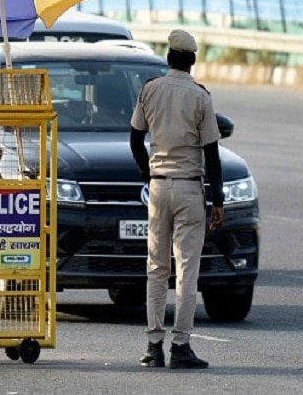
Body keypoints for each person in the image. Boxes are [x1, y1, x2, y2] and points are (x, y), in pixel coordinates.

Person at [129, 29, 225, 370]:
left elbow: (135, 139)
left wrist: (147, 172)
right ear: (192, 61)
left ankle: (153, 346)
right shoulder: (201, 97)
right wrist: (218, 200)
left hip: (158, 188)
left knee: (156, 268)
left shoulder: (150, 89)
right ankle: (180, 346)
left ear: (169, 57)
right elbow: (212, 154)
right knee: (186, 271)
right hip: (188, 188)